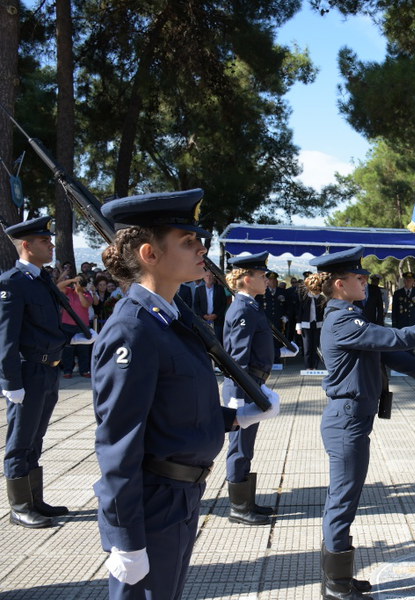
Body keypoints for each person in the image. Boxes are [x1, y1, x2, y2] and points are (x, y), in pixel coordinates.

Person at [91, 190, 280, 598]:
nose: (201, 249)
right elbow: (117, 443)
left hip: (182, 494)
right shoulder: (134, 330)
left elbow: (176, 410)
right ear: (150, 254)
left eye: (200, 241)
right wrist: (123, 536)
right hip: (153, 502)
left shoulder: (171, 320)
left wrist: (235, 418)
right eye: (188, 241)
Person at [310, 246, 415, 600]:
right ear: (338, 284)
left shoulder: (350, 316)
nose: (365, 281)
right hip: (347, 420)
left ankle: (340, 578)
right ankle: (336, 586)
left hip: (353, 417)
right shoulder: (344, 320)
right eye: (358, 277)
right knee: (342, 500)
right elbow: (397, 338)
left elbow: (389, 353)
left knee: (345, 497)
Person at [1, 216, 87, 528]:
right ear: (26, 245)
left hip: (48, 371)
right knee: (20, 440)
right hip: (28, 372)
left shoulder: (41, 281)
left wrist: (74, 335)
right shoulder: (13, 283)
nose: (51, 245)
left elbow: (46, 326)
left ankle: (35, 500)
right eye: (44, 241)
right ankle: (20, 506)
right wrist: (10, 381)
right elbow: (7, 337)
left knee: (36, 438)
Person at [221, 252, 296, 526]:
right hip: (243, 387)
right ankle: (239, 508)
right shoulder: (242, 309)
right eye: (262, 275)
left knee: (246, 447)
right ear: (246, 278)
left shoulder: (250, 305)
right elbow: (238, 359)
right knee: (240, 447)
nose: (267, 279)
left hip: (250, 383)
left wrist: (278, 350)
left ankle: (246, 501)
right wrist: (253, 394)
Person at [58, 272, 96, 379]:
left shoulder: (87, 294)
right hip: (67, 325)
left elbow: (85, 304)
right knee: (68, 349)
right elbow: (58, 286)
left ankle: (84, 370)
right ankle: (67, 370)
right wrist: (72, 280)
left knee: (83, 349)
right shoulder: (68, 292)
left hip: (82, 326)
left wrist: (80, 292)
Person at [296, 273, 327, 369]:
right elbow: (299, 312)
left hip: (319, 325)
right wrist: (298, 326)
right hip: (305, 325)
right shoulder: (304, 297)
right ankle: (308, 367)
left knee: (317, 347)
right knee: (307, 347)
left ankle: (315, 366)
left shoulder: (322, 298)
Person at [192, 270, 228, 343]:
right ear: (203, 278)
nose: (209, 278)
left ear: (213, 278)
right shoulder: (199, 290)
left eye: (211, 276)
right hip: (203, 320)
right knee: (204, 340)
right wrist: (203, 315)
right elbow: (196, 305)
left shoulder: (220, 289)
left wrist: (216, 315)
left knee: (218, 341)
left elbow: (223, 304)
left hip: (217, 320)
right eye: (207, 276)